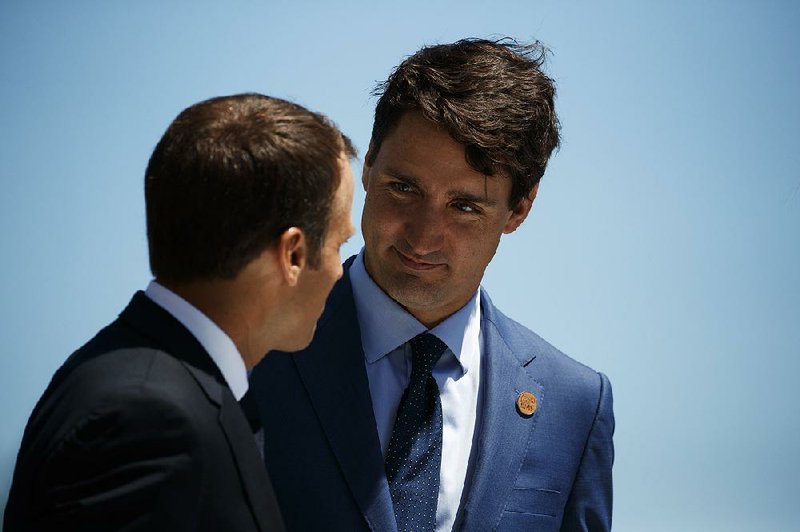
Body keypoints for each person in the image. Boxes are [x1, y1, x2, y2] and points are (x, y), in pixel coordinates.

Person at [250, 39, 614, 531]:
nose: (422, 236)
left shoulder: (574, 404)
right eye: (404, 188)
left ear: (520, 209)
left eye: (464, 207)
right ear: (369, 162)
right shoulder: (252, 349)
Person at [4, 93, 356, 532]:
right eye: (339, 244)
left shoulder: (140, 382)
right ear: (293, 254)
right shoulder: (149, 419)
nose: (342, 271)